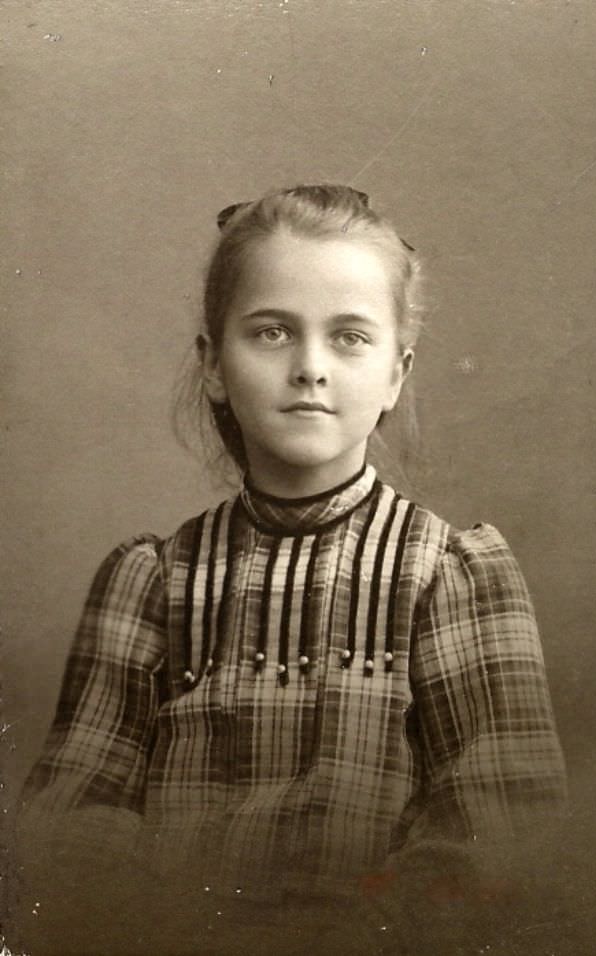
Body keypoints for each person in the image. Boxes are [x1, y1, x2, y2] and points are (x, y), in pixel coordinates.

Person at [15, 184, 567, 955]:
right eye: (272, 333)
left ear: (396, 375)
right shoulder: (151, 582)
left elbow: (500, 825)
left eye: (349, 338)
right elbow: (72, 822)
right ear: (213, 365)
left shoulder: (449, 574)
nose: (310, 368)